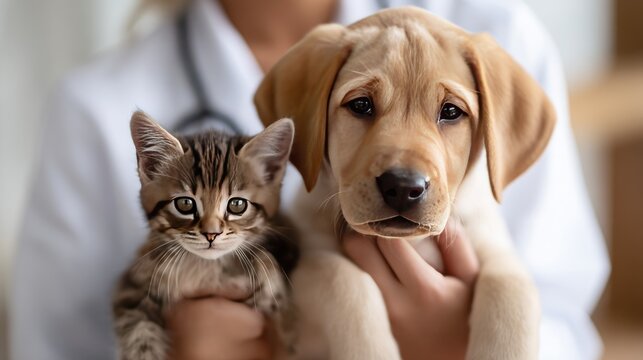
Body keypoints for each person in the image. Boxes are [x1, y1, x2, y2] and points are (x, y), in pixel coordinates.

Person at [10, 0, 609, 359]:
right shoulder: (91, 107)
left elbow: (569, 320)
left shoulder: (498, 31)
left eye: (450, 112)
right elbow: (51, 349)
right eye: (361, 106)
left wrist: (453, 347)